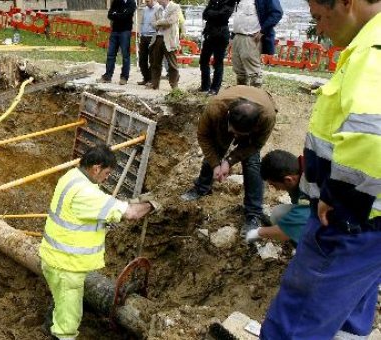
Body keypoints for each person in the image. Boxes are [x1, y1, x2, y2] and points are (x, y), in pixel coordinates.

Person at [260, 0, 381, 337]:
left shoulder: (373, 51)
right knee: (348, 312)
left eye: (319, 18)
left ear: (347, 3)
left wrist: (339, 197)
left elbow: (373, 138)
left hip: (348, 223)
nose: (321, 30)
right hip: (370, 223)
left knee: (294, 323)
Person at [39, 145, 157, 340]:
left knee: (61, 299)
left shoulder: (71, 177)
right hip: (67, 267)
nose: (108, 177)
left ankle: (48, 325)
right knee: (68, 324)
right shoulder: (87, 194)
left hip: (53, 258)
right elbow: (132, 213)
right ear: (96, 168)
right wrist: (153, 203)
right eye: (107, 173)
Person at [180, 85, 277, 235]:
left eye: (241, 134)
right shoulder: (215, 109)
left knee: (252, 163)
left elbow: (256, 144)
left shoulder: (267, 117)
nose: (236, 136)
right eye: (234, 131)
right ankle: (202, 188)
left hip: (254, 121)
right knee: (215, 149)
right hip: (224, 118)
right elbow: (203, 137)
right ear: (229, 116)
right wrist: (215, 165)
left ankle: (253, 213)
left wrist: (229, 161)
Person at [245, 150, 309, 245]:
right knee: (279, 215)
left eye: (274, 185)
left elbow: (290, 227)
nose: (275, 189)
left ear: (288, 180)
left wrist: (257, 233)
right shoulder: (300, 169)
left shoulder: (310, 186)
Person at [230, 0, 282, 87]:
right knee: (239, 70)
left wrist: (263, 31)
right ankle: (241, 94)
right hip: (238, 35)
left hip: (251, 36)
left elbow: (276, 13)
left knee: (254, 72)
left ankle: (255, 96)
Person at [199, 0, 236, 95]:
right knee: (203, 60)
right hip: (209, 33)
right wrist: (214, 13)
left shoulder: (230, 2)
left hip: (221, 35)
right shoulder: (213, 0)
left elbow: (223, 16)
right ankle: (205, 86)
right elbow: (204, 14)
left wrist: (212, 13)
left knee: (218, 62)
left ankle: (215, 88)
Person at [99, 0, 136, 85]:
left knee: (125, 56)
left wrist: (116, 14)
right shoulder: (116, 1)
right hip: (114, 31)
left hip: (125, 32)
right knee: (110, 54)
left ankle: (124, 77)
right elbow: (109, 15)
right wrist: (119, 14)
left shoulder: (131, 3)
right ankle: (107, 76)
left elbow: (126, 16)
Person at [148, 0, 181, 90]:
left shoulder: (175, 7)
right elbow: (152, 23)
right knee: (155, 63)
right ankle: (155, 84)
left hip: (169, 39)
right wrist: (161, 22)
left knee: (172, 64)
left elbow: (170, 21)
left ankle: (174, 85)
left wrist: (159, 22)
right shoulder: (158, 9)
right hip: (158, 38)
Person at [137, 0, 160, 86]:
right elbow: (142, 22)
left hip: (153, 36)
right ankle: (146, 78)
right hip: (144, 36)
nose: (146, 3)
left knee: (153, 59)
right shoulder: (145, 9)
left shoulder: (159, 8)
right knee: (142, 59)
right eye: (145, 1)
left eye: (148, 1)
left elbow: (160, 23)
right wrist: (140, 33)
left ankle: (151, 79)